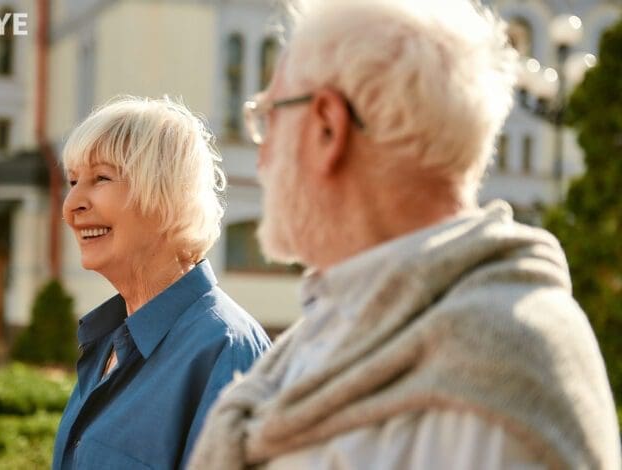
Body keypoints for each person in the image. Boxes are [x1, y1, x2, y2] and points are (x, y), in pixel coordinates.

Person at [189, 0, 620, 469]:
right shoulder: (331, 325)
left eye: (269, 117)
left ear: (328, 127)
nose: (261, 154)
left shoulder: (498, 372)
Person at [52, 96, 271, 470]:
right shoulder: (106, 342)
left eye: (101, 178)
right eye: (73, 181)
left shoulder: (225, 352)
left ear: (167, 195)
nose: (71, 205)